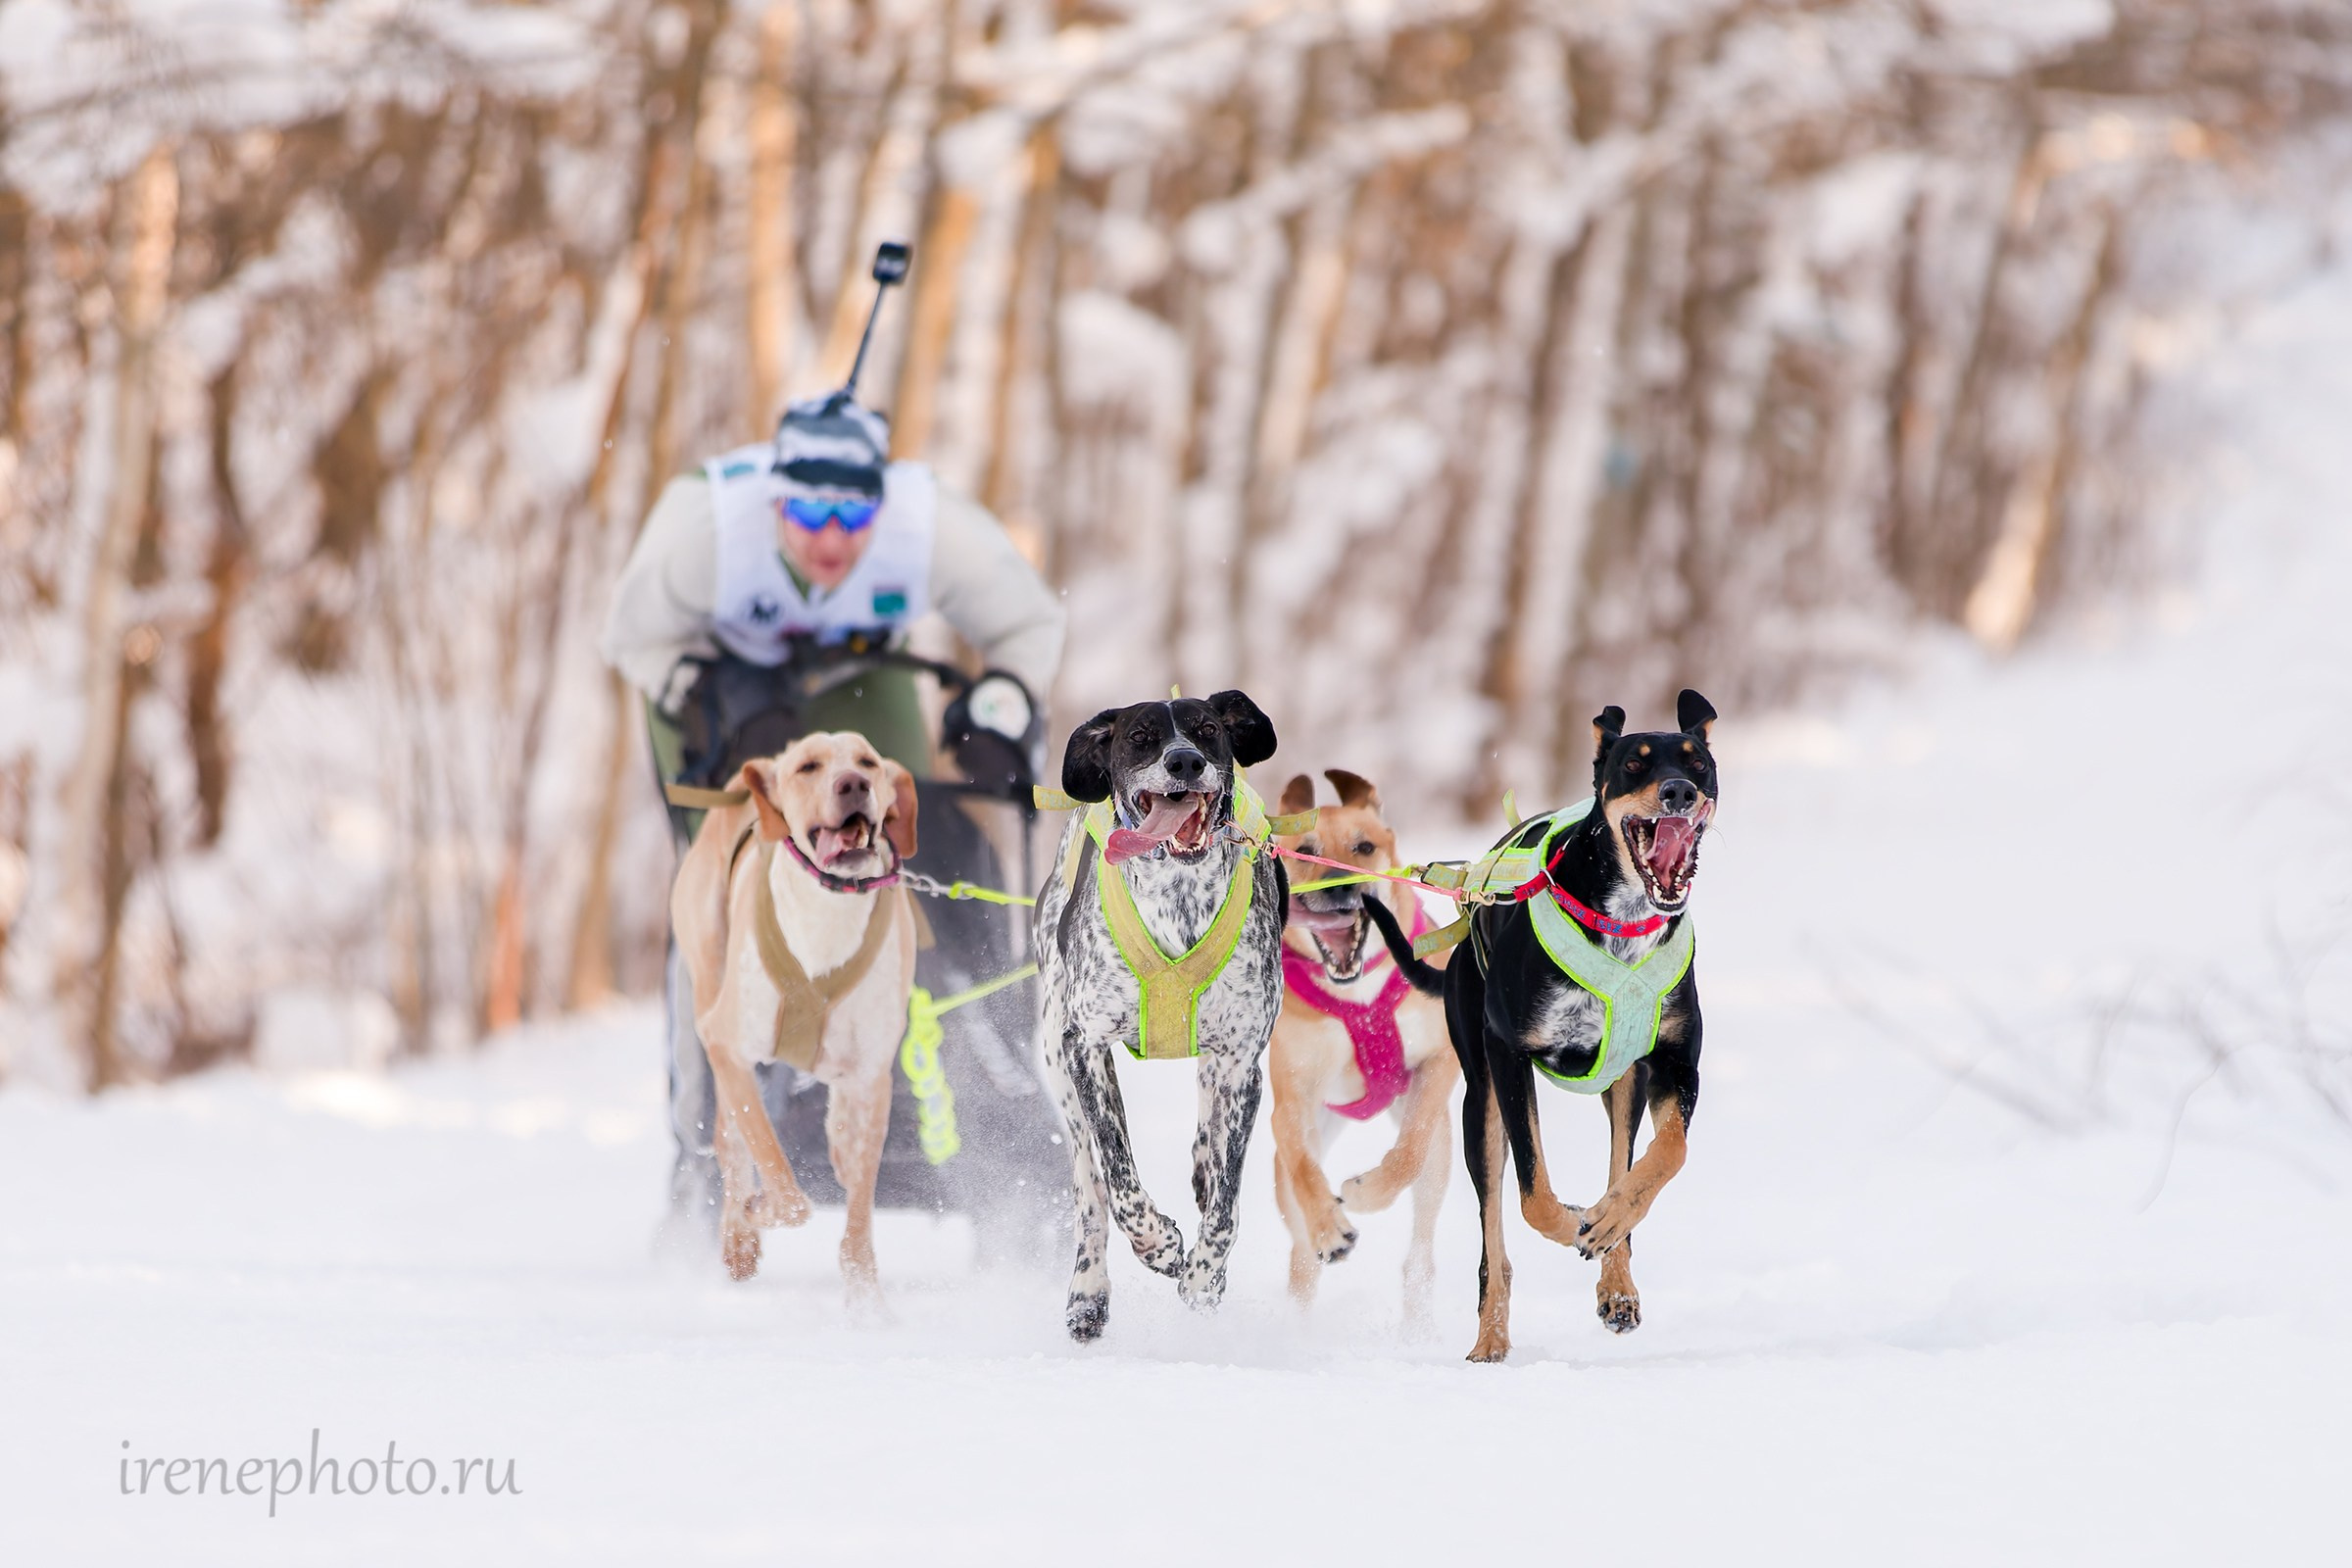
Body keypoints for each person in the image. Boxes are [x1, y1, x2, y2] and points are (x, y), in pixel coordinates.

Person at [601, 387, 1066, 1238]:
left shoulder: (935, 528)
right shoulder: (701, 532)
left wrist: (1000, 708)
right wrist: (706, 695)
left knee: (921, 838)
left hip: (856, 671)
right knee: (725, 878)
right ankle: (706, 1147)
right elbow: (630, 634)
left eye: (854, 513)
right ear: (775, 499)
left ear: (881, 506)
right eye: (808, 509)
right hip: (719, 676)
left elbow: (1030, 625)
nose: (830, 536)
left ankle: (985, 1077)